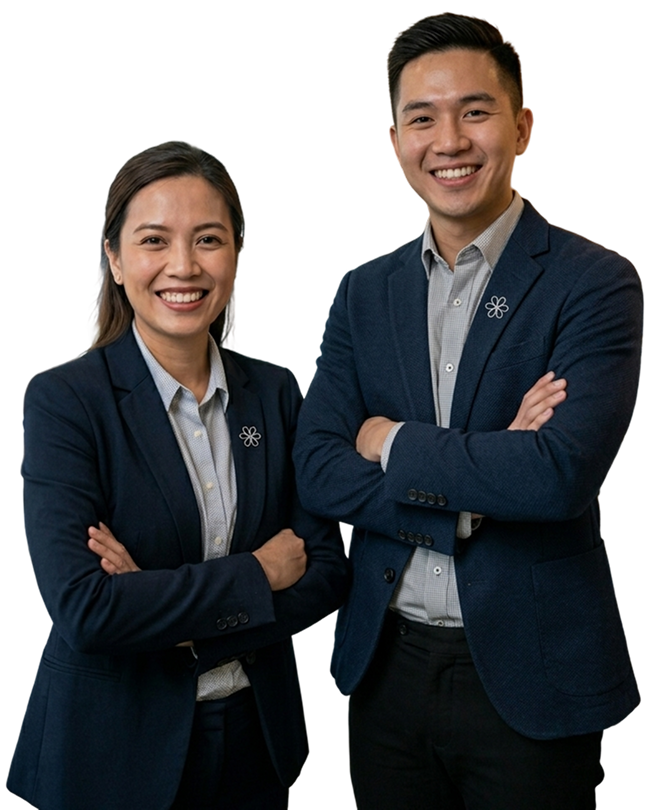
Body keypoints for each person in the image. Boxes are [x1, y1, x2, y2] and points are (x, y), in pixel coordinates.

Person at [293, 13, 642, 810]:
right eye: (422, 118)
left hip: (534, 675)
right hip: (381, 667)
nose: (448, 140)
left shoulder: (593, 282)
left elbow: (556, 478)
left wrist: (390, 440)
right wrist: (468, 502)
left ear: (521, 128)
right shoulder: (363, 289)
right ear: (394, 141)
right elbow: (315, 467)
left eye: (474, 112)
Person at [9, 140, 347, 810]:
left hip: (260, 741)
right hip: (109, 754)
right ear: (114, 257)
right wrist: (256, 575)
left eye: (208, 240)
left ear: (238, 253)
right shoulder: (64, 400)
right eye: (154, 240)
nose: (183, 267)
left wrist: (164, 611)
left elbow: (328, 569)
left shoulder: (277, 391)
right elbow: (86, 611)